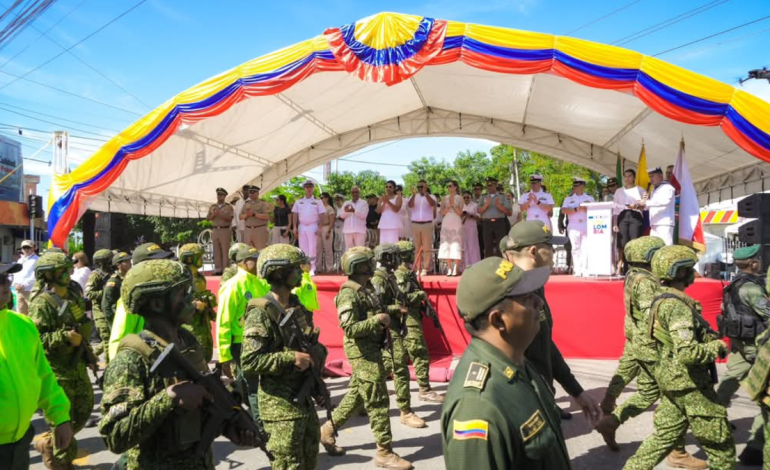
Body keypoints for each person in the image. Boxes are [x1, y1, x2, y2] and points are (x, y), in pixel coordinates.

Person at [100, 259, 259, 470]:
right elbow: (115, 435)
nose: (191, 300)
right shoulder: (131, 359)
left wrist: (227, 426)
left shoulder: (188, 342)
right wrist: (167, 398)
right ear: (157, 303)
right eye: (182, 294)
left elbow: (197, 410)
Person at [441, 256, 569, 469]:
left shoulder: (517, 360)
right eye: (527, 298)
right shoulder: (478, 407)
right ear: (498, 320)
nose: (539, 302)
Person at [595, 237, 706, 469]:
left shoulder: (634, 275)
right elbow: (650, 315)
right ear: (649, 257)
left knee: (648, 394)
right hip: (652, 348)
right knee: (674, 398)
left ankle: (612, 420)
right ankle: (676, 451)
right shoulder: (645, 282)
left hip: (640, 343)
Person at [624, 246, 734, 470]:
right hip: (690, 384)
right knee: (721, 449)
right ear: (680, 273)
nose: (694, 273)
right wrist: (718, 347)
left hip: (671, 380)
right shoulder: (677, 307)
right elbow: (688, 353)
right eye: (690, 269)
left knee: (662, 439)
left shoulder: (660, 299)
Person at [499, 221, 602, 422]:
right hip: (526, 406)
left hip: (542, 397)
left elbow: (545, 345)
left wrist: (575, 391)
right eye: (551, 248)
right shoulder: (512, 295)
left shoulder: (535, 286)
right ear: (534, 251)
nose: (555, 254)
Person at [320, 247, 413, 469]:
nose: (373, 265)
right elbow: (350, 328)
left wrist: (393, 310)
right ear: (359, 267)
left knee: (357, 395)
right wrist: (378, 320)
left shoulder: (367, 287)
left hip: (374, 348)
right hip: (362, 352)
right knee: (378, 401)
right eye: (369, 263)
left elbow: (376, 309)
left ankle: (328, 429)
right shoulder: (348, 292)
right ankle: (385, 453)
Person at [241, 244, 327, 468]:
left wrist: (318, 375)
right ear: (279, 272)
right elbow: (249, 362)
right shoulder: (261, 313)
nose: (301, 272)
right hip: (280, 411)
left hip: (304, 401)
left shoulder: (297, 306)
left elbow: (310, 346)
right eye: (296, 268)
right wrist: (290, 358)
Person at [0, 262, 74, 470]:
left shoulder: (22, 325)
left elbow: (43, 375)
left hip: (20, 441)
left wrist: (60, 418)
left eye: (6, 277)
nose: (6, 283)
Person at [27, 252, 94, 469]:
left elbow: (83, 323)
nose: (68, 272)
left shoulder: (73, 294)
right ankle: (61, 463)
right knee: (63, 419)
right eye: (62, 270)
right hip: (57, 370)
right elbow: (37, 339)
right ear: (48, 274)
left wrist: (88, 354)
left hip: (77, 364)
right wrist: (63, 337)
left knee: (83, 412)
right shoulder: (42, 303)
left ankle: (47, 443)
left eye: (68, 268)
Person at [716, 244, 770, 464]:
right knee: (765, 399)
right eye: (757, 259)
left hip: (739, 344)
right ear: (753, 263)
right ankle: (755, 447)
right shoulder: (752, 288)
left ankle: (713, 421)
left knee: (729, 381)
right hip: (756, 347)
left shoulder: (733, 283)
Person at [372, 244, 427, 429]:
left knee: (392, 368)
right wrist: (398, 308)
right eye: (396, 257)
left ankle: (404, 410)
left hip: (394, 328)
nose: (400, 260)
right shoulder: (378, 279)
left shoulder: (389, 277)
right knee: (396, 369)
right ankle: (405, 412)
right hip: (384, 331)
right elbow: (377, 308)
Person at [106, 243, 176, 360]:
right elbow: (119, 339)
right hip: (143, 360)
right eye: (158, 261)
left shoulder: (166, 292)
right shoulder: (132, 296)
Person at [395, 240, 444, 403]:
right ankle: (424, 389)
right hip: (408, 318)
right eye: (410, 252)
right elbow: (401, 298)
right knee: (419, 352)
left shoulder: (407, 272)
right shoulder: (401, 273)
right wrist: (420, 296)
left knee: (397, 357)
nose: (413, 255)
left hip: (413, 315)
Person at [179, 243, 217, 363]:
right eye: (199, 257)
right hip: (190, 328)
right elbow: (175, 304)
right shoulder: (180, 278)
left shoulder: (200, 277)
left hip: (203, 325)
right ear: (190, 258)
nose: (202, 259)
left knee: (206, 357)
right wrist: (194, 305)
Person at [613, 169, 647, 273]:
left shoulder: (640, 190)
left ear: (634, 177)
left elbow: (645, 205)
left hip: (635, 215)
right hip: (622, 215)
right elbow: (615, 209)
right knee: (623, 243)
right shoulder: (619, 191)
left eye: (629, 176)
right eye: (625, 176)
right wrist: (615, 223)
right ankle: (625, 267)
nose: (627, 179)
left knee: (635, 241)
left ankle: (636, 266)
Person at [561, 177, 595, 277]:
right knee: (575, 248)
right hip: (573, 223)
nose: (575, 187)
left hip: (586, 223)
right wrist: (576, 208)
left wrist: (587, 209)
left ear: (583, 186)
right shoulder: (569, 198)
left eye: (577, 185)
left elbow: (595, 210)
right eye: (574, 186)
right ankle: (577, 269)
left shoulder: (590, 198)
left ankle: (585, 269)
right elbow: (563, 210)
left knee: (585, 247)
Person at [292, 180, 328, 275]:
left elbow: (322, 215)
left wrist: (320, 228)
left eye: (310, 187)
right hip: (302, 226)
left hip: (313, 226)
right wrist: (295, 227)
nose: (309, 189)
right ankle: (304, 267)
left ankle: (312, 267)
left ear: (313, 188)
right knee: (303, 248)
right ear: (304, 188)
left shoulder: (317, 201)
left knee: (312, 248)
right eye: (307, 187)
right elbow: (295, 214)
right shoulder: (299, 201)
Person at [85, 249, 115, 361]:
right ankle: (109, 365)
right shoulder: (95, 275)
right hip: (100, 312)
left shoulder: (112, 274)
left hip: (110, 309)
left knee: (111, 337)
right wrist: (106, 292)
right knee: (107, 339)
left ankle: (90, 355)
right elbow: (88, 293)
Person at [637, 167, 676, 245]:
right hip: (654, 222)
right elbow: (651, 205)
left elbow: (664, 201)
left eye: (652, 176)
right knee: (655, 247)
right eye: (650, 177)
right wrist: (643, 205)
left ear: (660, 176)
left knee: (666, 247)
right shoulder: (654, 190)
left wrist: (646, 203)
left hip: (664, 223)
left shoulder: (667, 187)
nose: (650, 179)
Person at [408, 180, 437, 276]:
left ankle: (426, 268)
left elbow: (433, 204)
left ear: (426, 187)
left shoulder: (431, 196)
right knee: (416, 247)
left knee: (427, 247)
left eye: (422, 187)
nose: (420, 188)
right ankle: (417, 268)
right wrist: (413, 195)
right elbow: (410, 205)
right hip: (415, 224)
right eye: (419, 186)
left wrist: (426, 194)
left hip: (427, 224)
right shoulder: (414, 196)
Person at [479, 176, 512, 258]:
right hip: (486, 223)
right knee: (487, 245)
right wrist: (486, 205)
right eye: (487, 185)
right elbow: (478, 210)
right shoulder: (483, 197)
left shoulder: (503, 197)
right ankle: (489, 266)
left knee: (500, 245)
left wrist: (499, 206)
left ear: (495, 185)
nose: (488, 187)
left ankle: (501, 264)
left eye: (490, 185)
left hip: (499, 222)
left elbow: (509, 213)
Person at [438, 181, 464, 276]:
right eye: (448, 186)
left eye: (450, 186)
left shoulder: (460, 198)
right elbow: (441, 213)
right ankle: (449, 268)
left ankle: (455, 268)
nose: (449, 188)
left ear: (455, 187)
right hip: (447, 220)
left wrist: (454, 205)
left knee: (456, 243)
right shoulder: (444, 198)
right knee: (446, 243)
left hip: (456, 220)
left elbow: (460, 213)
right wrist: (449, 205)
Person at [206, 187, 234, 274]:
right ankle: (218, 268)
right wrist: (213, 215)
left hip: (224, 229)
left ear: (225, 196)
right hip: (215, 229)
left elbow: (229, 218)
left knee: (225, 249)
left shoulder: (228, 207)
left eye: (222, 195)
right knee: (216, 249)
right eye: (218, 194)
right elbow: (207, 218)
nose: (219, 196)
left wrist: (220, 214)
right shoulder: (212, 207)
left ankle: (226, 268)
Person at [102, 251, 132, 332]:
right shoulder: (114, 281)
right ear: (118, 265)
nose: (130, 263)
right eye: (126, 262)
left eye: (129, 261)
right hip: (119, 320)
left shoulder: (131, 278)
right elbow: (106, 306)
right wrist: (113, 325)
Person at [241, 185, 272, 250]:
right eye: (250, 192)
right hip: (248, 230)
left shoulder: (263, 203)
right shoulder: (246, 204)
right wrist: (246, 215)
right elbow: (240, 216)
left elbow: (267, 216)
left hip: (260, 230)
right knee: (249, 252)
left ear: (258, 193)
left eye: (253, 192)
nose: (251, 194)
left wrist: (255, 214)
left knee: (261, 251)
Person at [12, 239, 38, 314]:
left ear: (33, 248)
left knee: (33, 313)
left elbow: (36, 275)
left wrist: (24, 284)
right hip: (19, 291)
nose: (26, 249)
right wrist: (15, 284)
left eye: (28, 247)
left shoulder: (37, 260)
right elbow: (16, 273)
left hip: (31, 291)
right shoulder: (20, 260)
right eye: (24, 248)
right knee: (20, 313)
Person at [377, 180, 403, 245]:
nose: (388, 188)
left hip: (393, 225)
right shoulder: (381, 198)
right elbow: (378, 211)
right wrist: (384, 203)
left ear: (394, 188)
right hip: (383, 225)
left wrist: (388, 202)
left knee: (393, 245)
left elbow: (396, 209)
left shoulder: (398, 198)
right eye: (387, 187)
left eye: (390, 187)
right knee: (383, 245)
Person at [317, 192, 335, 273]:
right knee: (318, 249)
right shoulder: (318, 208)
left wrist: (329, 231)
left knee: (328, 249)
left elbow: (332, 221)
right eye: (320, 197)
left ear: (327, 198)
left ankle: (329, 267)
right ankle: (318, 267)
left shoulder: (330, 208)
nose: (321, 199)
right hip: (319, 228)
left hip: (327, 227)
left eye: (322, 197)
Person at [461, 191, 481, 267]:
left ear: (471, 197)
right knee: (463, 245)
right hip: (462, 227)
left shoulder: (475, 205)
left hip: (472, 227)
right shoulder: (461, 206)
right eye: (464, 197)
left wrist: (470, 215)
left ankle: (475, 264)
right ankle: (464, 265)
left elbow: (479, 217)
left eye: (467, 197)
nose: (466, 199)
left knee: (473, 245)